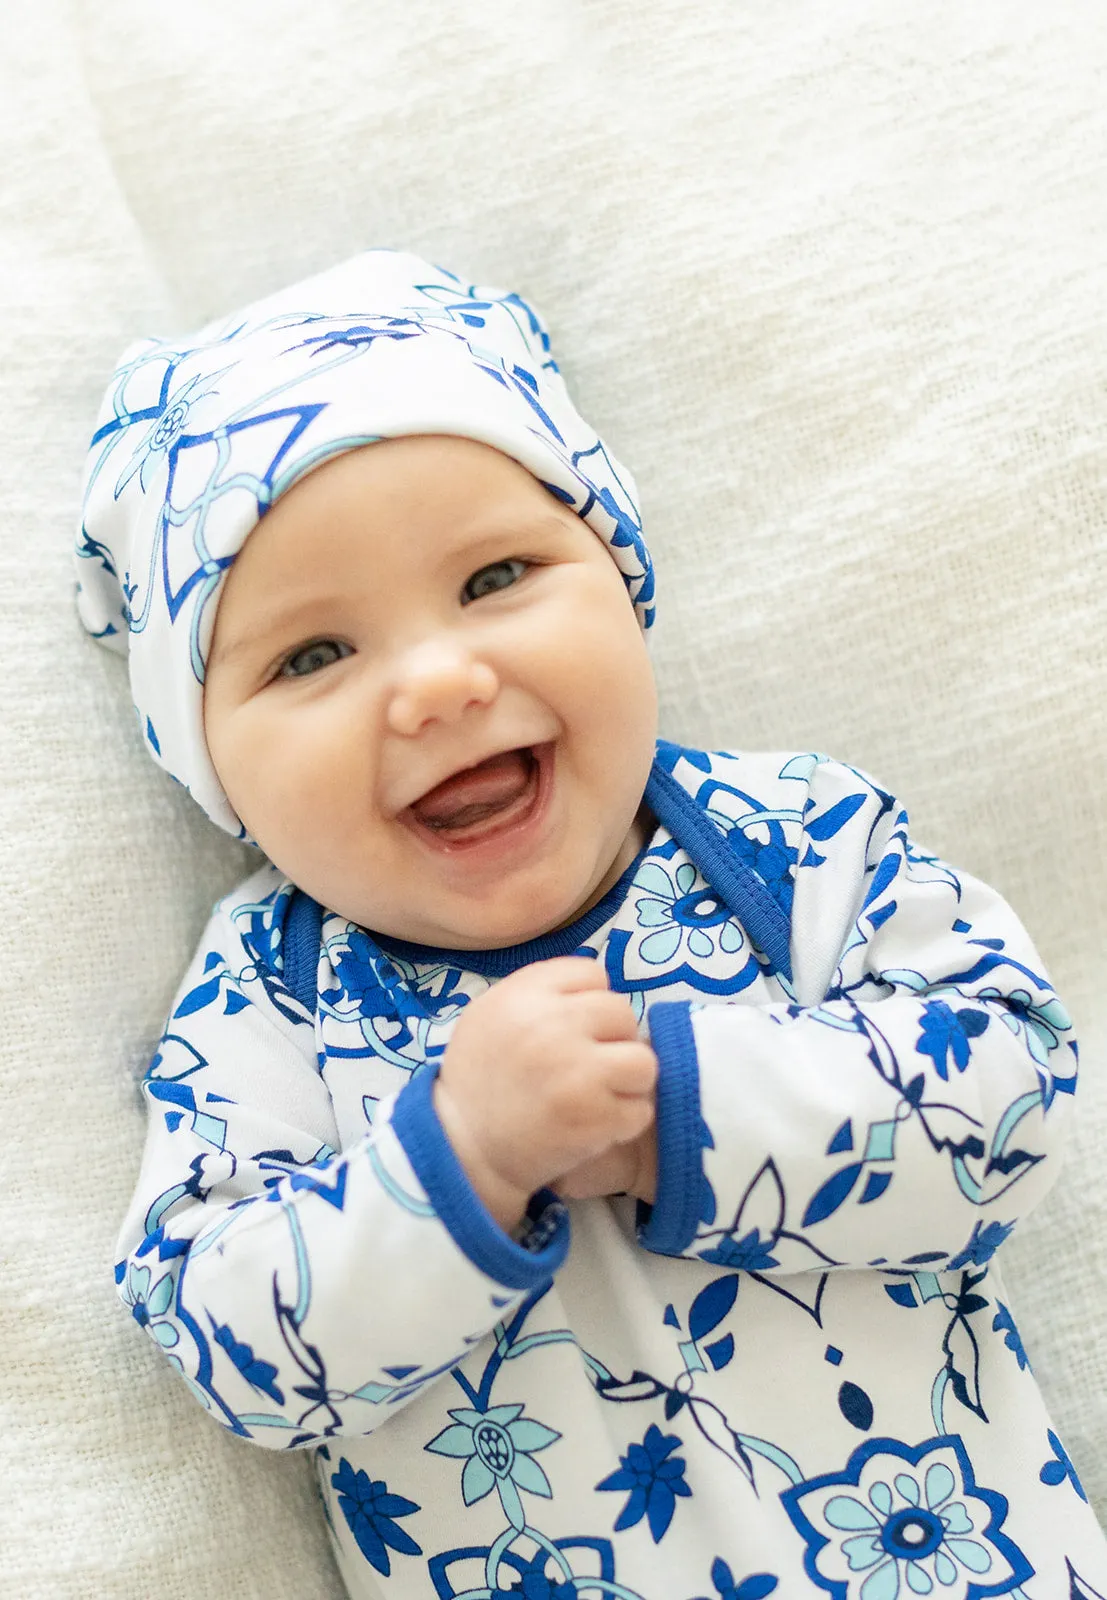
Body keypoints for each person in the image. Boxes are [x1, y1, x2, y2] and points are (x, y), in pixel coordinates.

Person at [76, 249, 1107, 1600]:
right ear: (212, 771)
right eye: (314, 656)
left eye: (496, 574)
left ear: (617, 572)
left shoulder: (791, 841)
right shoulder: (267, 997)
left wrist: (663, 1113)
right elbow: (230, 1343)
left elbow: (1009, 1100)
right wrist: (458, 1160)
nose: (440, 680)